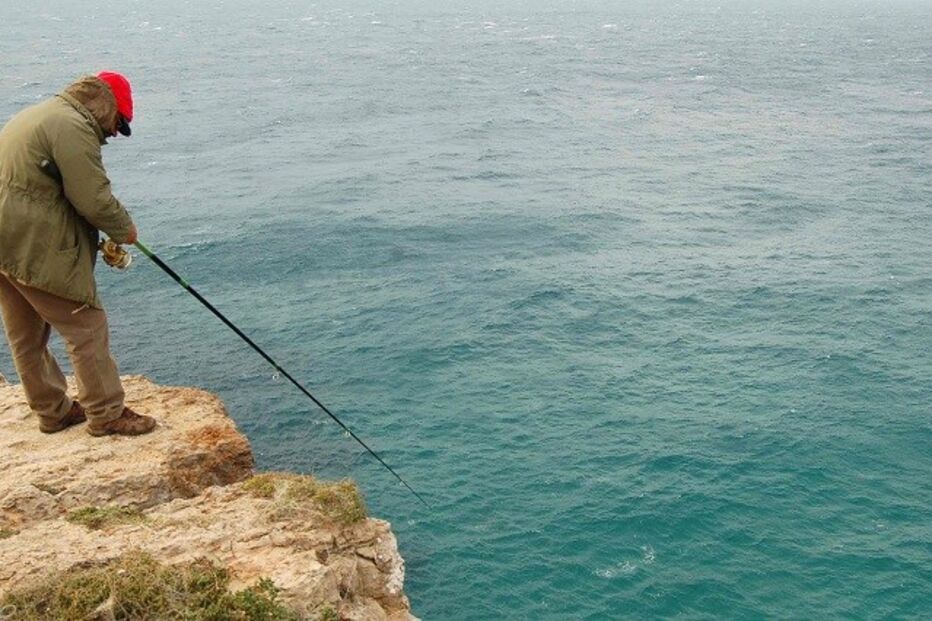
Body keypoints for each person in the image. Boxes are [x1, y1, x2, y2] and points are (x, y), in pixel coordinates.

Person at [0, 71, 156, 436]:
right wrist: (125, 230)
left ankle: (52, 412)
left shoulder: (44, 114)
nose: (116, 133)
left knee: (26, 333)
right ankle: (105, 413)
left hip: (4, 240)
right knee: (87, 326)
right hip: (30, 240)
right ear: (107, 107)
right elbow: (93, 198)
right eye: (120, 123)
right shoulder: (73, 127)